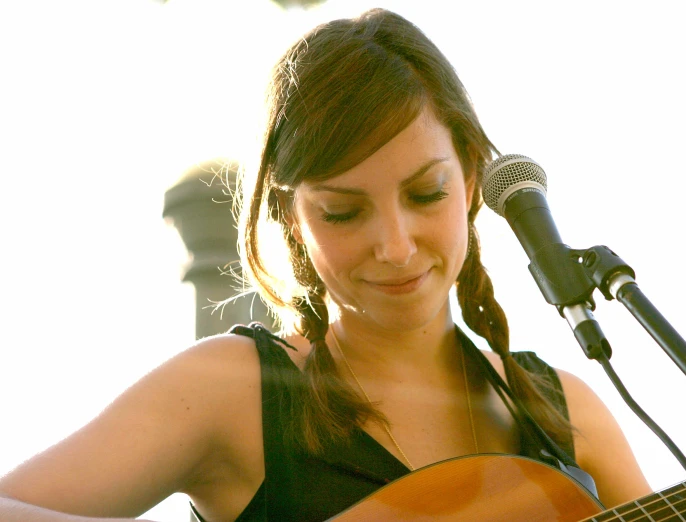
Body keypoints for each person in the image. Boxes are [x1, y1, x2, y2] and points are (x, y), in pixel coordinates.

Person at [0, 8, 651, 522]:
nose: (395, 246)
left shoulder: (564, 412)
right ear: (290, 217)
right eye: (343, 211)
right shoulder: (235, 392)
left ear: (473, 178)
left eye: (425, 194)